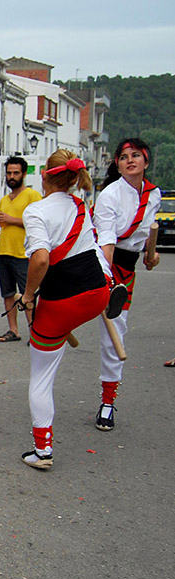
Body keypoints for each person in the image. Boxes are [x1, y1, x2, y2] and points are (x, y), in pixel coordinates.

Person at [19, 151, 111, 469]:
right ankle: (112, 286)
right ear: (73, 178)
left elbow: (41, 260)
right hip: (96, 292)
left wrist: (28, 296)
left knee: (41, 377)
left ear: (44, 175)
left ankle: (43, 451)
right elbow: (94, 247)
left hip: (61, 301)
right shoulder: (80, 206)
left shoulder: (36, 211)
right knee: (72, 316)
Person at [92, 138, 162, 431]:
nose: (129, 160)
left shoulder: (154, 195)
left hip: (129, 265)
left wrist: (151, 254)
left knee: (115, 335)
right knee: (67, 315)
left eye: (135, 155)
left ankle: (108, 402)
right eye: (123, 156)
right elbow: (106, 243)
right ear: (117, 164)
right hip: (103, 261)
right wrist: (107, 279)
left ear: (146, 162)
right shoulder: (110, 195)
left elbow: (148, 230)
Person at [0, 156, 43, 342]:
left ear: (24, 174)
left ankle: (36, 333)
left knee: (28, 295)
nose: (12, 176)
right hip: (3, 252)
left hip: (24, 254)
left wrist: (11, 220)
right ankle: (13, 330)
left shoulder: (33, 196)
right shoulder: (4, 199)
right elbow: (2, 223)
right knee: (7, 294)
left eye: (16, 173)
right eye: (9, 173)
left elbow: (38, 222)